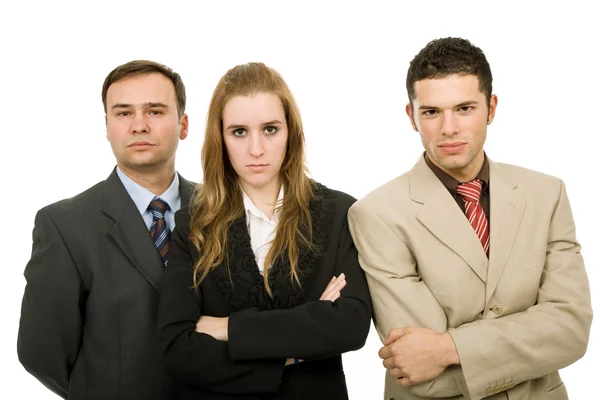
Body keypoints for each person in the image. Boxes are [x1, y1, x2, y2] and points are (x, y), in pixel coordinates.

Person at [347, 37, 592, 400]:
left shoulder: (547, 194)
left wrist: (446, 349)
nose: (449, 128)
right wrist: (531, 350)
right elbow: (417, 368)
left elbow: (571, 331)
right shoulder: (377, 215)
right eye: (431, 112)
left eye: (464, 108)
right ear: (411, 117)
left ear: (491, 109)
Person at [156, 62, 372, 400]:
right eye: (239, 131)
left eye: (270, 129)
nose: (256, 149)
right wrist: (297, 348)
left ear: (291, 132)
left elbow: (350, 326)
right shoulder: (194, 224)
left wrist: (227, 328)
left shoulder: (340, 212)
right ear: (221, 137)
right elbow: (179, 350)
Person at [17, 60, 194, 400]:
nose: (139, 126)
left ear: (183, 124)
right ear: (108, 126)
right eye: (124, 113)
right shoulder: (64, 225)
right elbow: (41, 352)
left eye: (155, 112)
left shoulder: (223, 211)